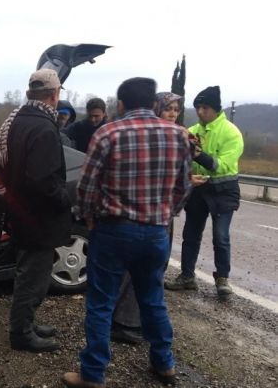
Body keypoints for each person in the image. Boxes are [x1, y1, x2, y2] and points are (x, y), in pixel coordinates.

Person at [62, 78, 192, 388]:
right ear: (152, 102)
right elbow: (184, 187)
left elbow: (87, 187)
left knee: (101, 303)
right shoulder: (179, 136)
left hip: (113, 231)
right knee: (153, 300)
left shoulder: (107, 133)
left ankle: (92, 374)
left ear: (120, 104)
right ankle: (164, 364)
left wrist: (88, 219)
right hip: (155, 232)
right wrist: (164, 213)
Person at [0, 69, 71, 353]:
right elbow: (43, 181)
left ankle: (27, 323)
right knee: (33, 279)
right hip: (38, 219)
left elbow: (4, 167)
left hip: (22, 213)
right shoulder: (43, 126)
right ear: (54, 94)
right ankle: (21, 334)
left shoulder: (18, 120)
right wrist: (65, 199)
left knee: (29, 274)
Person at [110, 92, 186, 345]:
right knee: (142, 272)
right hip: (152, 217)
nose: (173, 113)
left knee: (149, 270)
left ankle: (129, 320)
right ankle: (127, 322)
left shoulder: (178, 135)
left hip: (160, 214)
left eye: (176, 109)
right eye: (168, 109)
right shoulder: (165, 137)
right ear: (156, 109)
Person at [165, 86, 244, 297]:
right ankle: (187, 276)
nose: (200, 112)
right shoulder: (192, 131)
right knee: (190, 234)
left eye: (205, 107)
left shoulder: (231, 132)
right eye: (197, 107)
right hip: (198, 190)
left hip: (224, 191)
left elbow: (223, 165)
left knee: (221, 236)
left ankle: (222, 280)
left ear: (216, 109)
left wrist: (199, 155)